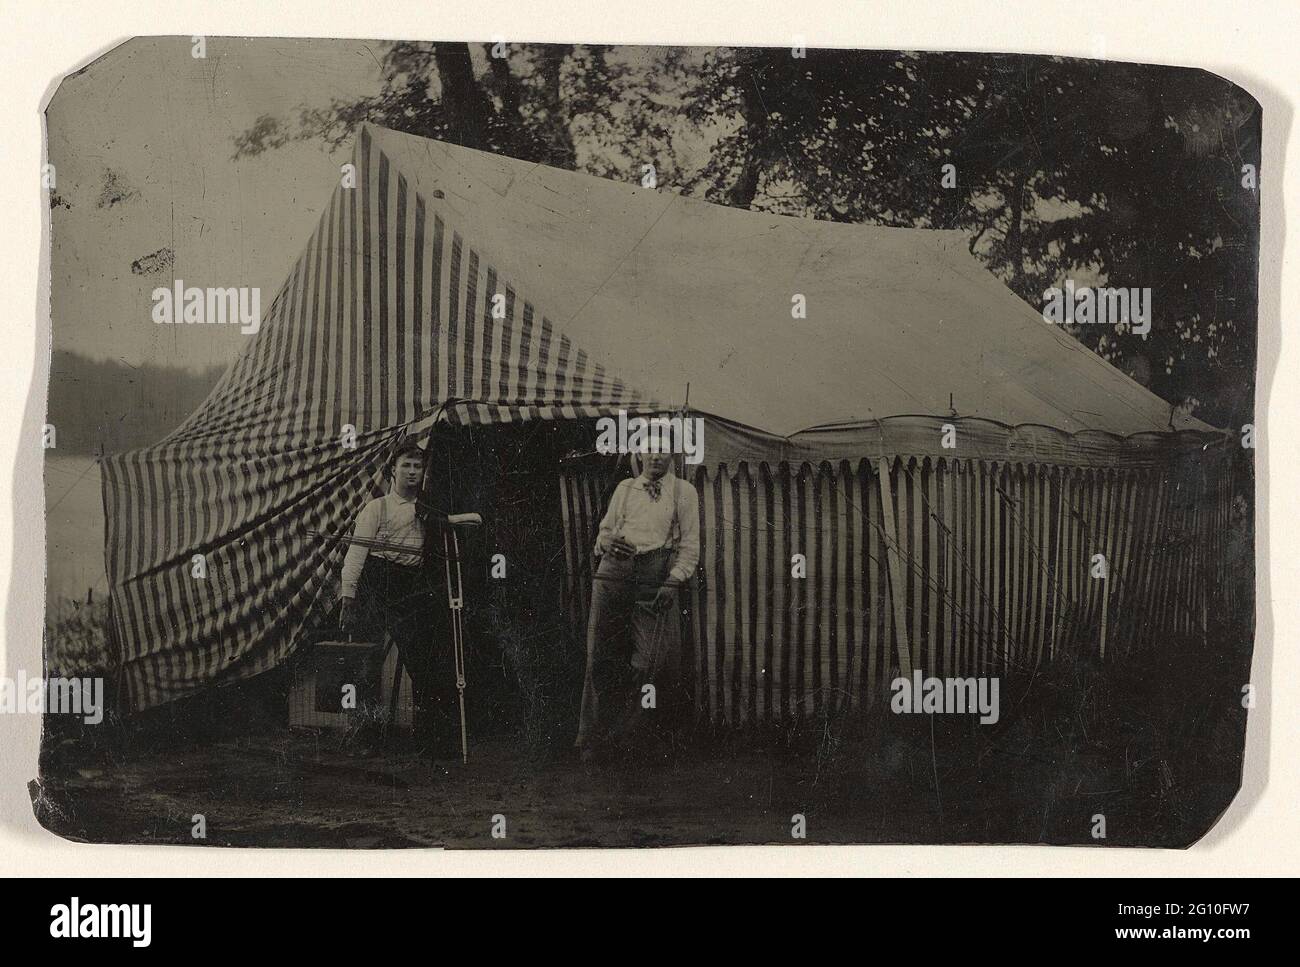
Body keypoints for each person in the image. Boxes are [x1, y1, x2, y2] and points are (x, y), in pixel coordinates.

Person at [577, 441, 700, 763]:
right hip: (614, 570)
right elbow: (603, 533)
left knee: (650, 662)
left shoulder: (684, 492)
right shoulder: (625, 487)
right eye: (649, 448)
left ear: (673, 455)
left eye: (663, 449)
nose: (656, 455)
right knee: (599, 656)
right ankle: (593, 740)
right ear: (639, 454)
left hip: (655, 572)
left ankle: (630, 738)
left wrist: (672, 582)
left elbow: (690, 546)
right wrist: (607, 542)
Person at [338, 442, 457, 758]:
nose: (413, 472)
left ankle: (429, 742)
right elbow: (357, 552)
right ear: (393, 469)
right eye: (407, 465)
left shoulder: (428, 510)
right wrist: (348, 597)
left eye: (418, 467)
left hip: (410, 586)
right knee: (367, 663)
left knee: (426, 661)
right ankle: (362, 736)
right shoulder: (377, 508)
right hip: (376, 582)